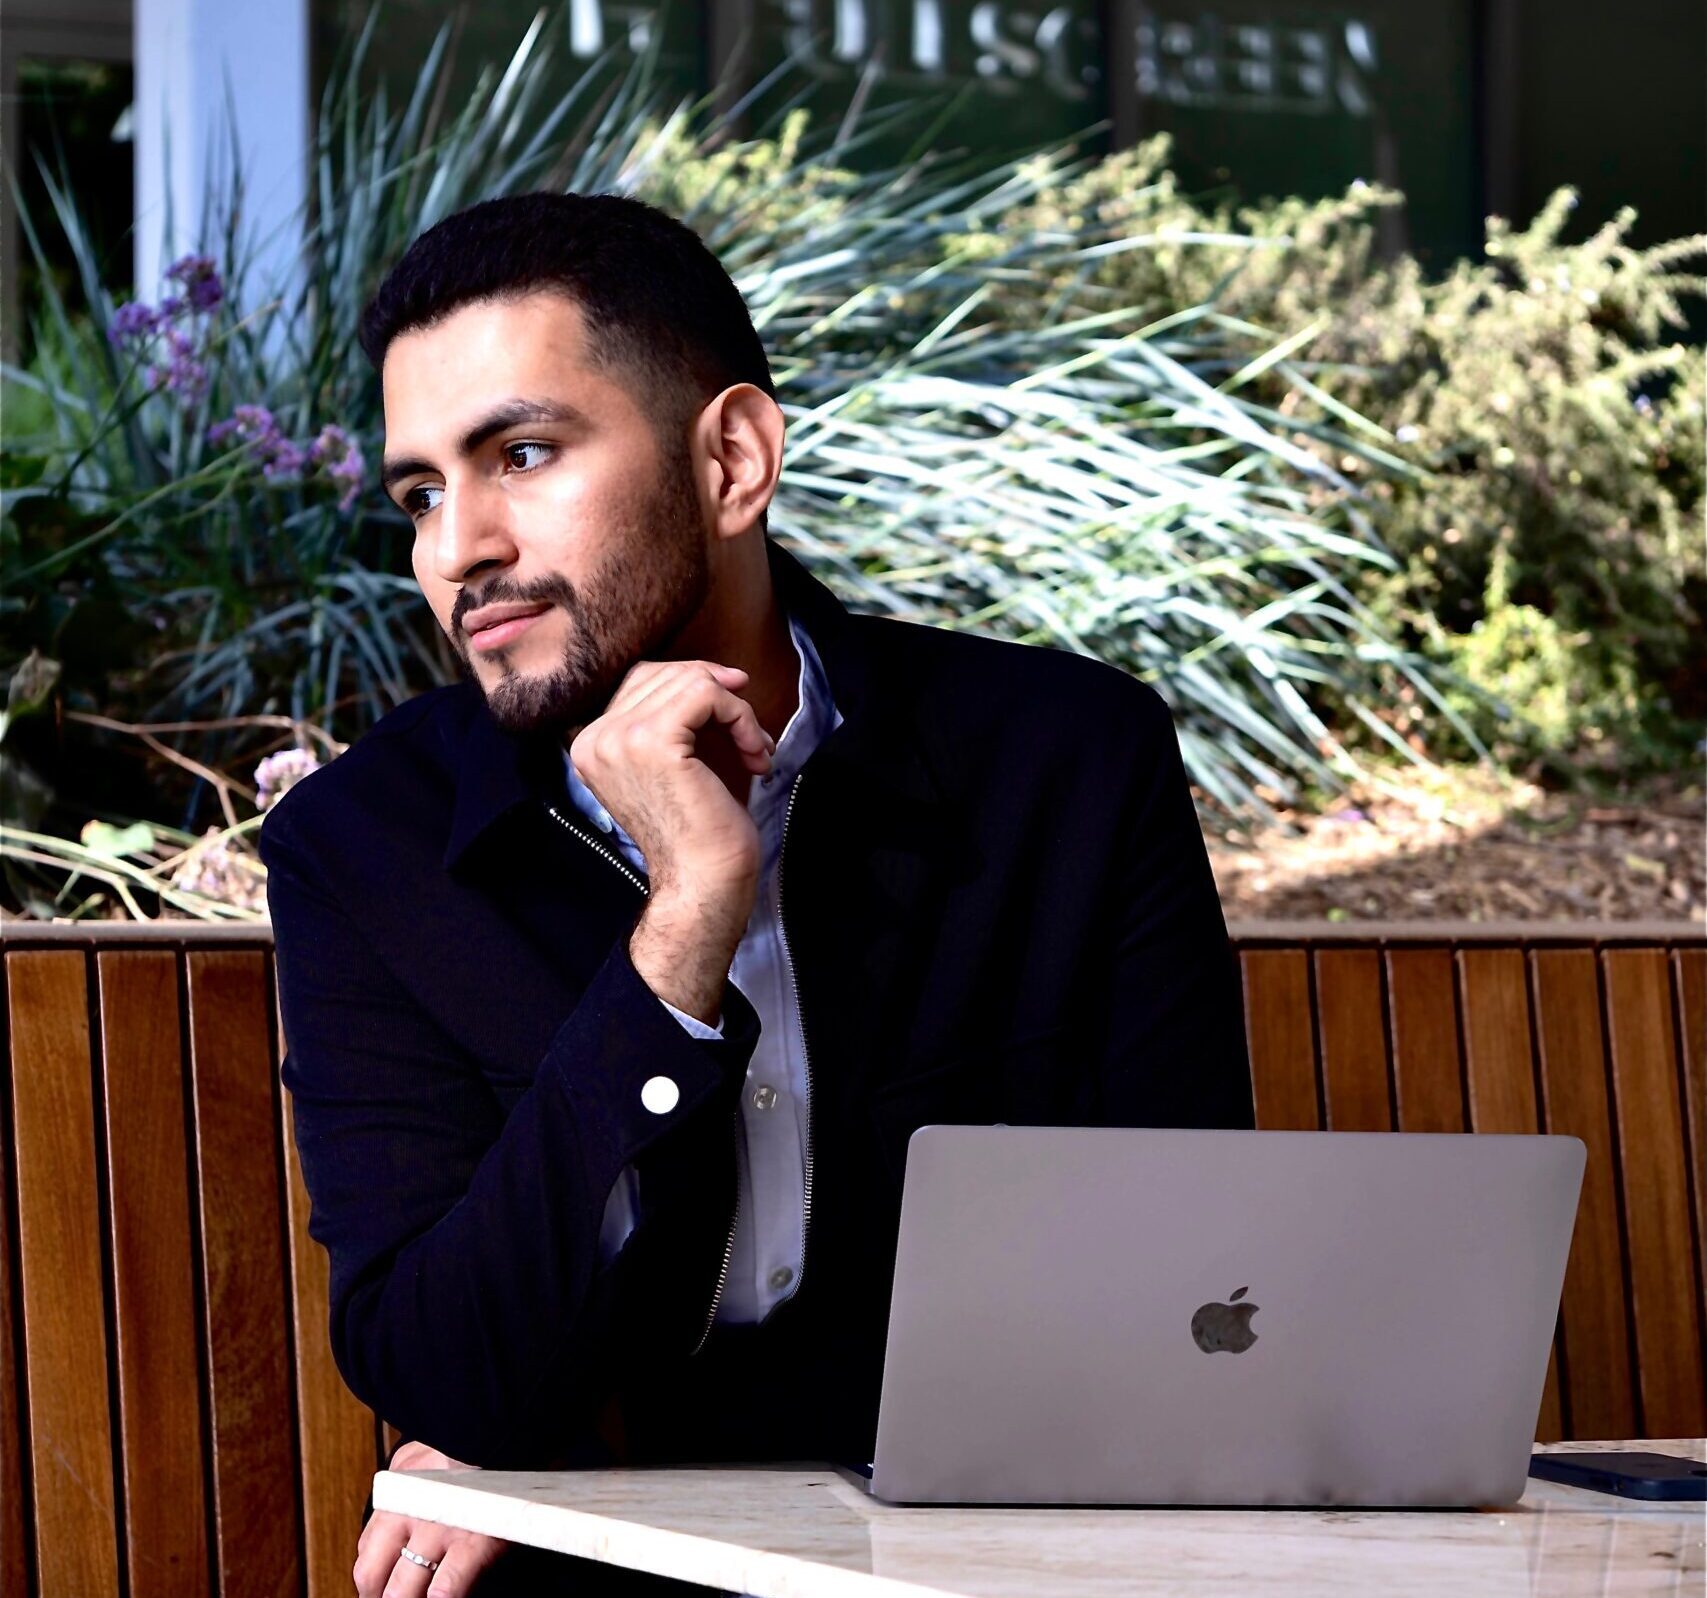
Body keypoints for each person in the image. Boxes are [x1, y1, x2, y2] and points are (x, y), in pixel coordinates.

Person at [261, 190, 1255, 1598]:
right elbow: (439, 1365)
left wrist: (524, 1426)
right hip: (604, 1571)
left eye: (522, 453)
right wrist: (683, 929)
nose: (455, 548)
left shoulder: (1071, 765)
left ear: (731, 458)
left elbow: (1199, 1270)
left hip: (997, 1553)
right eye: (421, 489)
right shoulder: (361, 848)